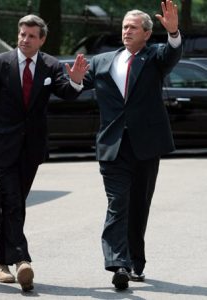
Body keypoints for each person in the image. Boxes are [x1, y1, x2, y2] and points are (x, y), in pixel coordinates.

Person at [0, 14, 88, 292]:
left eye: (31, 36)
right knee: (12, 201)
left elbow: (66, 92)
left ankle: (0, 262)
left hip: (32, 148)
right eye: (22, 34)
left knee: (16, 204)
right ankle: (22, 261)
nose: (25, 39)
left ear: (42, 39)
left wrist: (74, 81)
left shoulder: (50, 65)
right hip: (2, 146)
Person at [82, 0, 182, 290]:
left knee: (139, 205)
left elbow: (172, 54)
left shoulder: (153, 58)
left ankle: (136, 261)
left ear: (147, 34)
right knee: (118, 203)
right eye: (124, 26)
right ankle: (119, 263)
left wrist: (174, 32)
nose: (126, 31)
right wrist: (75, 81)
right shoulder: (102, 61)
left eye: (133, 27)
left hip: (146, 145)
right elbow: (75, 84)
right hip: (112, 145)